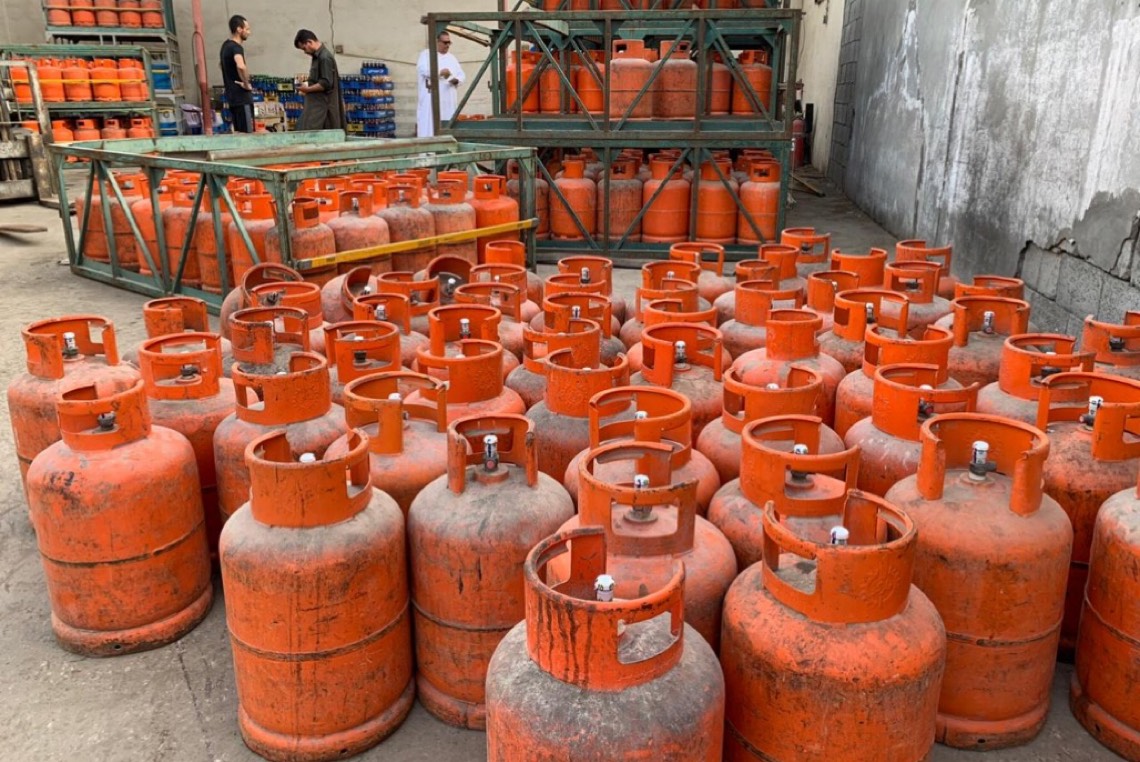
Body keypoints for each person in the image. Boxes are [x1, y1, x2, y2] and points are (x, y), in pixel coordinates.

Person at [293, 29, 345, 131]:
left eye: (304, 48)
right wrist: (307, 85)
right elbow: (317, 79)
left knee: (312, 132)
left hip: (323, 109)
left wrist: (307, 89)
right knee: (302, 128)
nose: (305, 52)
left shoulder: (324, 58)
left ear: (309, 42)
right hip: (316, 106)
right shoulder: (317, 57)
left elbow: (325, 83)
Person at [416, 30, 465, 138]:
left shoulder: (452, 58)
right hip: (431, 98)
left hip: (448, 99)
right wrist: (440, 72)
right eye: (445, 42)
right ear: (437, 42)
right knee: (429, 124)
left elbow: (461, 76)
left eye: (449, 43)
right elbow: (423, 70)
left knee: (447, 123)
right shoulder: (426, 55)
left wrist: (455, 80)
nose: (447, 45)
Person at [220, 15, 254, 133]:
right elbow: (241, 66)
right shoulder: (236, 48)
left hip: (232, 98)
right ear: (239, 29)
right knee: (247, 134)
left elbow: (221, 65)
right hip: (242, 98)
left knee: (239, 133)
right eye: (247, 29)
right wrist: (246, 83)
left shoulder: (225, 46)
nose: (249, 32)